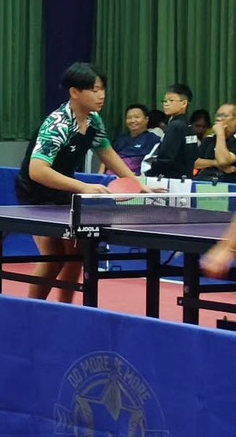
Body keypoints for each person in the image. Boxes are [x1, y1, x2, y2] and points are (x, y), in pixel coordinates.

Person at [15, 63, 147, 303]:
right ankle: (31, 309)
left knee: (77, 254)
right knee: (53, 257)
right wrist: (84, 187)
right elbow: (37, 170)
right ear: (75, 92)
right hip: (35, 193)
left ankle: (65, 310)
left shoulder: (93, 120)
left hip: (63, 190)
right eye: (95, 90)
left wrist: (137, 183)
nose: (102, 95)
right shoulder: (58, 124)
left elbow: (106, 152)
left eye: (103, 89)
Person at [145, 84, 199, 179]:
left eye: (171, 100)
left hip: (172, 179)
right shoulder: (189, 125)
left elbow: (166, 158)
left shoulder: (175, 126)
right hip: (186, 178)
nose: (166, 104)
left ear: (184, 103)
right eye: (165, 101)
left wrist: (148, 173)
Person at [109, 104, 159, 174]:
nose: (132, 121)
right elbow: (107, 157)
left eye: (137, 117)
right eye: (129, 118)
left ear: (146, 119)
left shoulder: (153, 140)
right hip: (112, 176)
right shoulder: (120, 139)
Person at [193, 102, 236, 182]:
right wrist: (215, 163)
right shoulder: (209, 140)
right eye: (218, 115)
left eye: (224, 116)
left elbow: (223, 161)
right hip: (204, 181)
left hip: (227, 184)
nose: (218, 119)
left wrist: (220, 134)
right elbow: (194, 162)